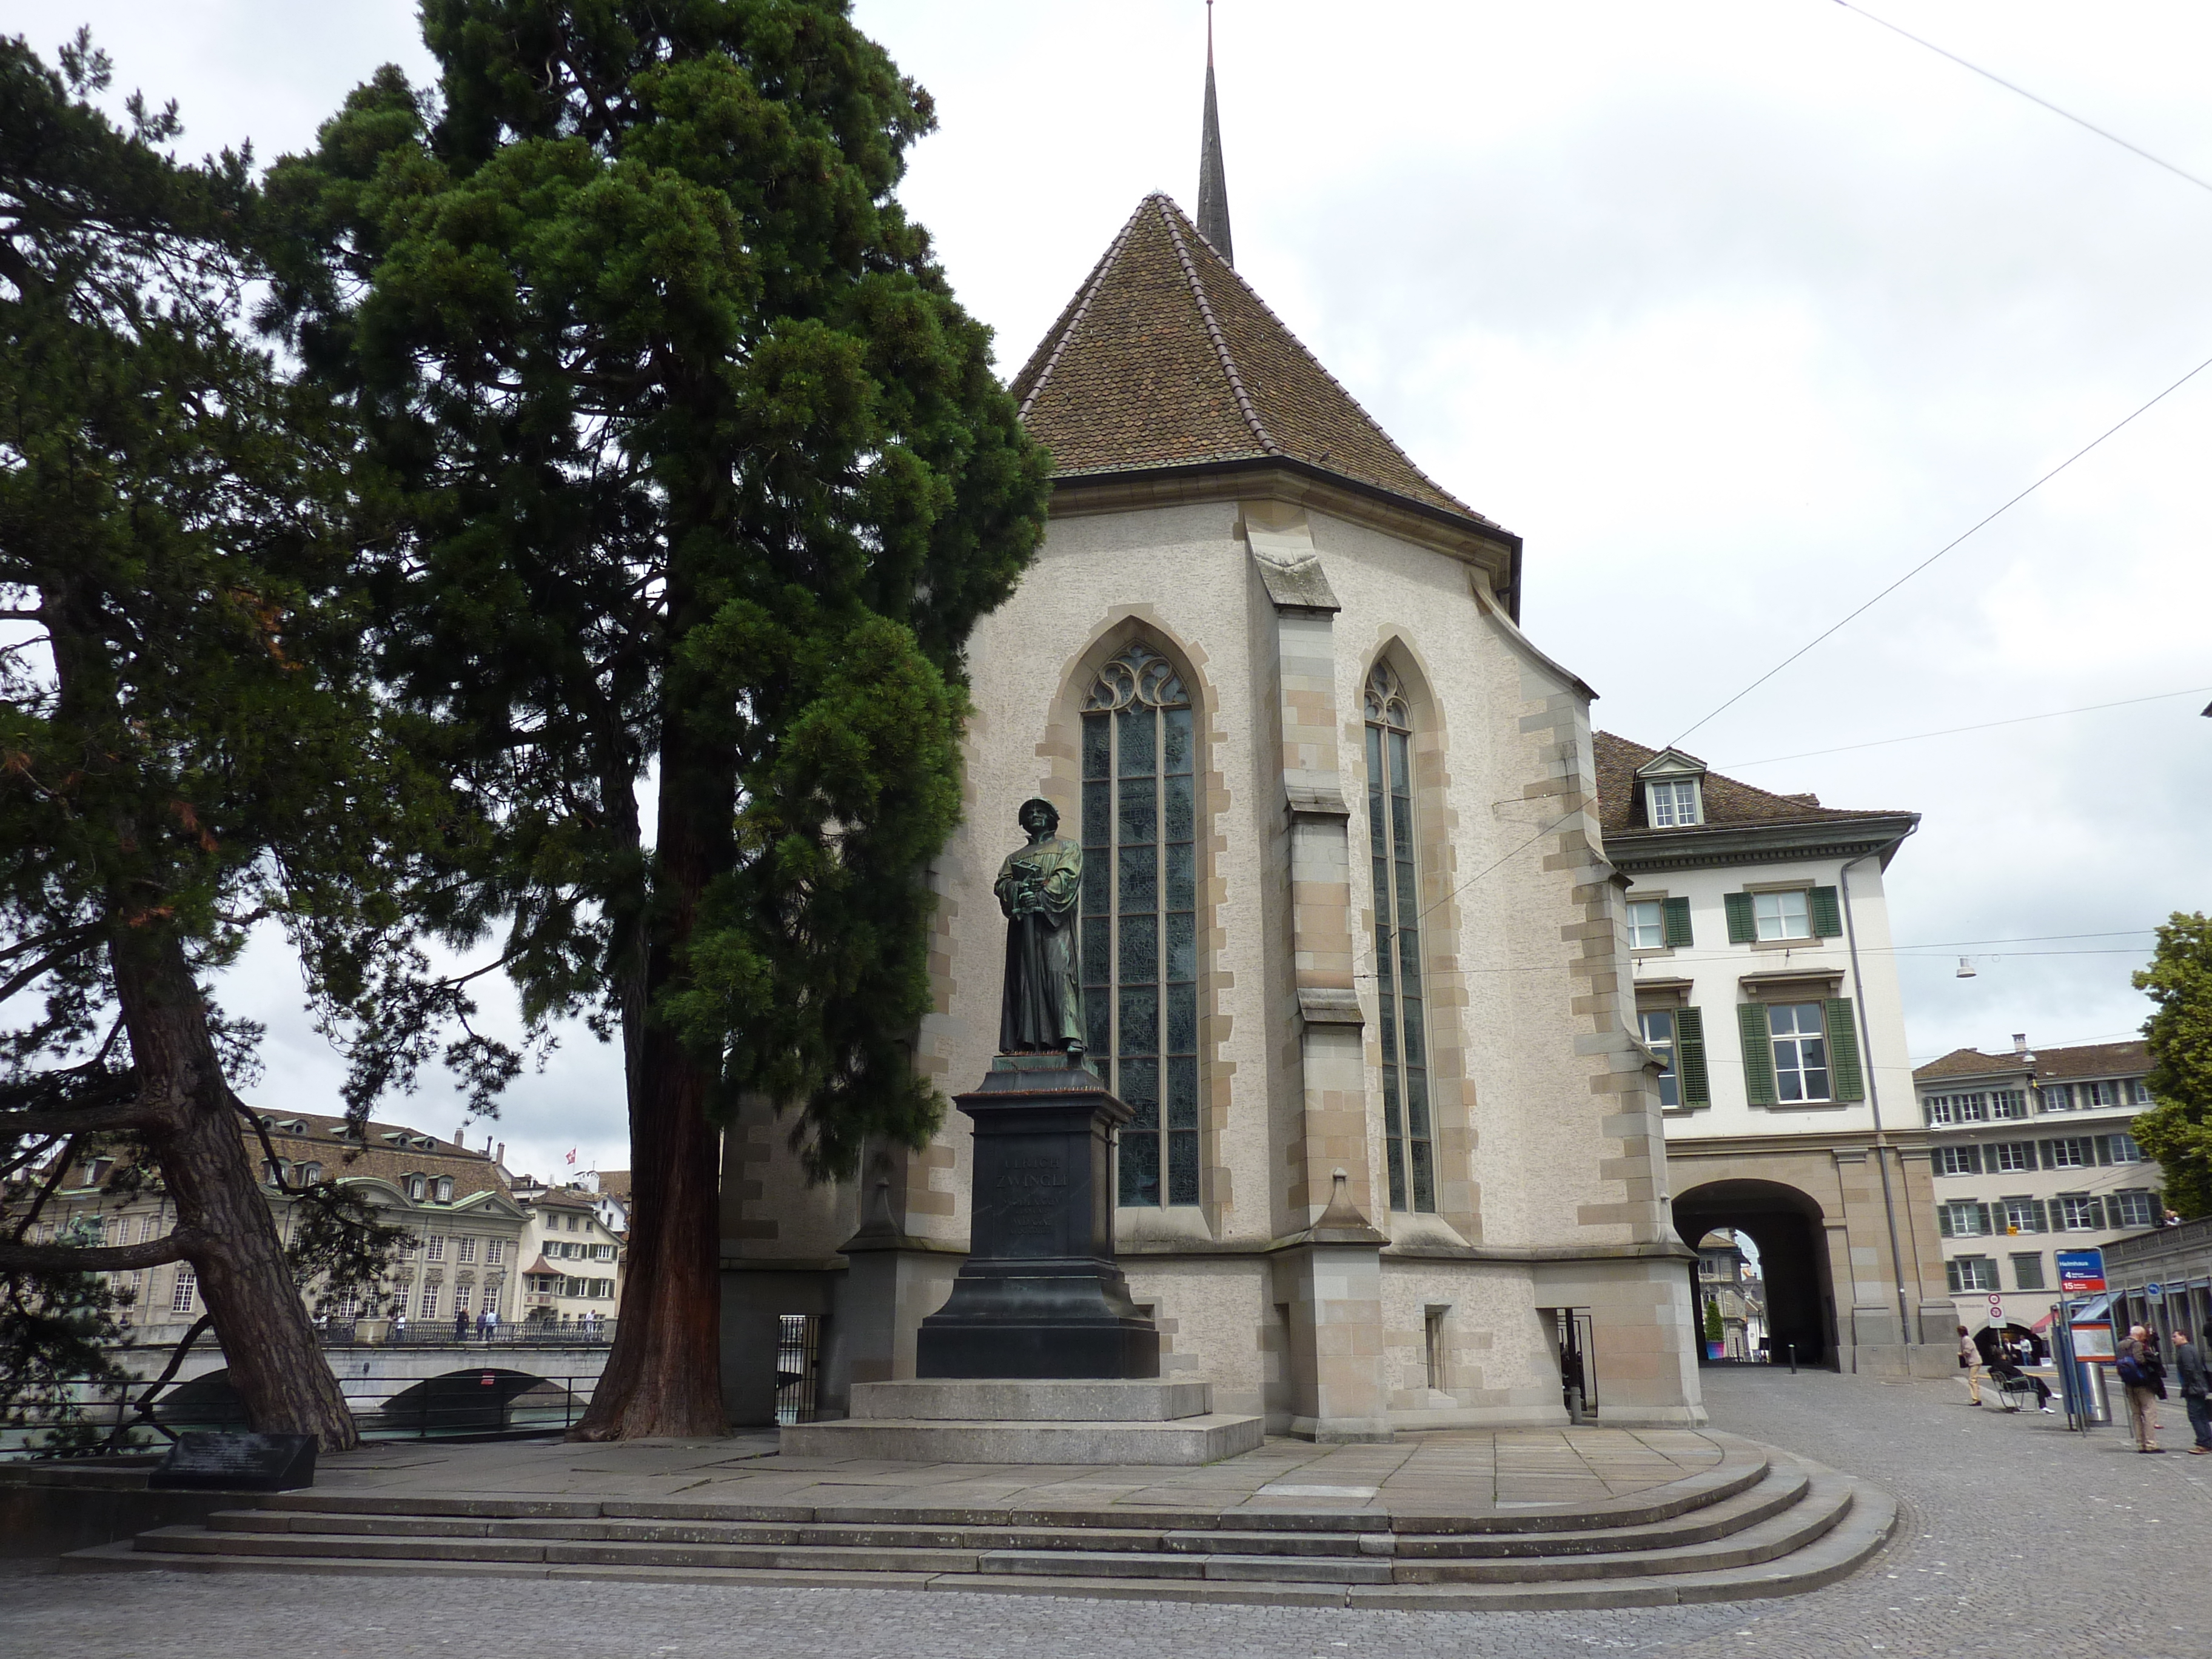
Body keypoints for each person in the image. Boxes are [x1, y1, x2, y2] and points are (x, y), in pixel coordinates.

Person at [2117, 1324, 2164, 1452]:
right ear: (2139, 1335)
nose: (2144, 1339)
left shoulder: (2120, 1345)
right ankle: (2150, 1444)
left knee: (2136, 1414)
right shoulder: (2137, 1344)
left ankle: (2140, 1444)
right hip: (2142, 1383)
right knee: (2149, 1413)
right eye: (2143, 1336)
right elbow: (2140, 1360)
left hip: (2129, 1384)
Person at [2172, 1329, 2212, 1453]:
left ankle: (2204, 1443)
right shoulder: (2192, 1348)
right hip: (2199, 1387)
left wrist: (2188, 1387)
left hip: (2194, 1388)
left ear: (2184, 1337)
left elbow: (2190, 1370)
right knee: (2202, 1416)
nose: (2173, 1339)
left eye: (2175, 1336)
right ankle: (2208, 1441)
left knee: (2195, 1416)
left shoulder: (2185, 1351)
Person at [1957, 1324, 1985, 1406]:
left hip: (1974, 1361)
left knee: (1972, 1380)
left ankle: (1976, 1399)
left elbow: (1968, 1351)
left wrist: (1961, 1354)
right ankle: (1976, 1398)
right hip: (1973, 1361)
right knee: (1974, 1380)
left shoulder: (1966, 1339)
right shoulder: (1965, 1339)